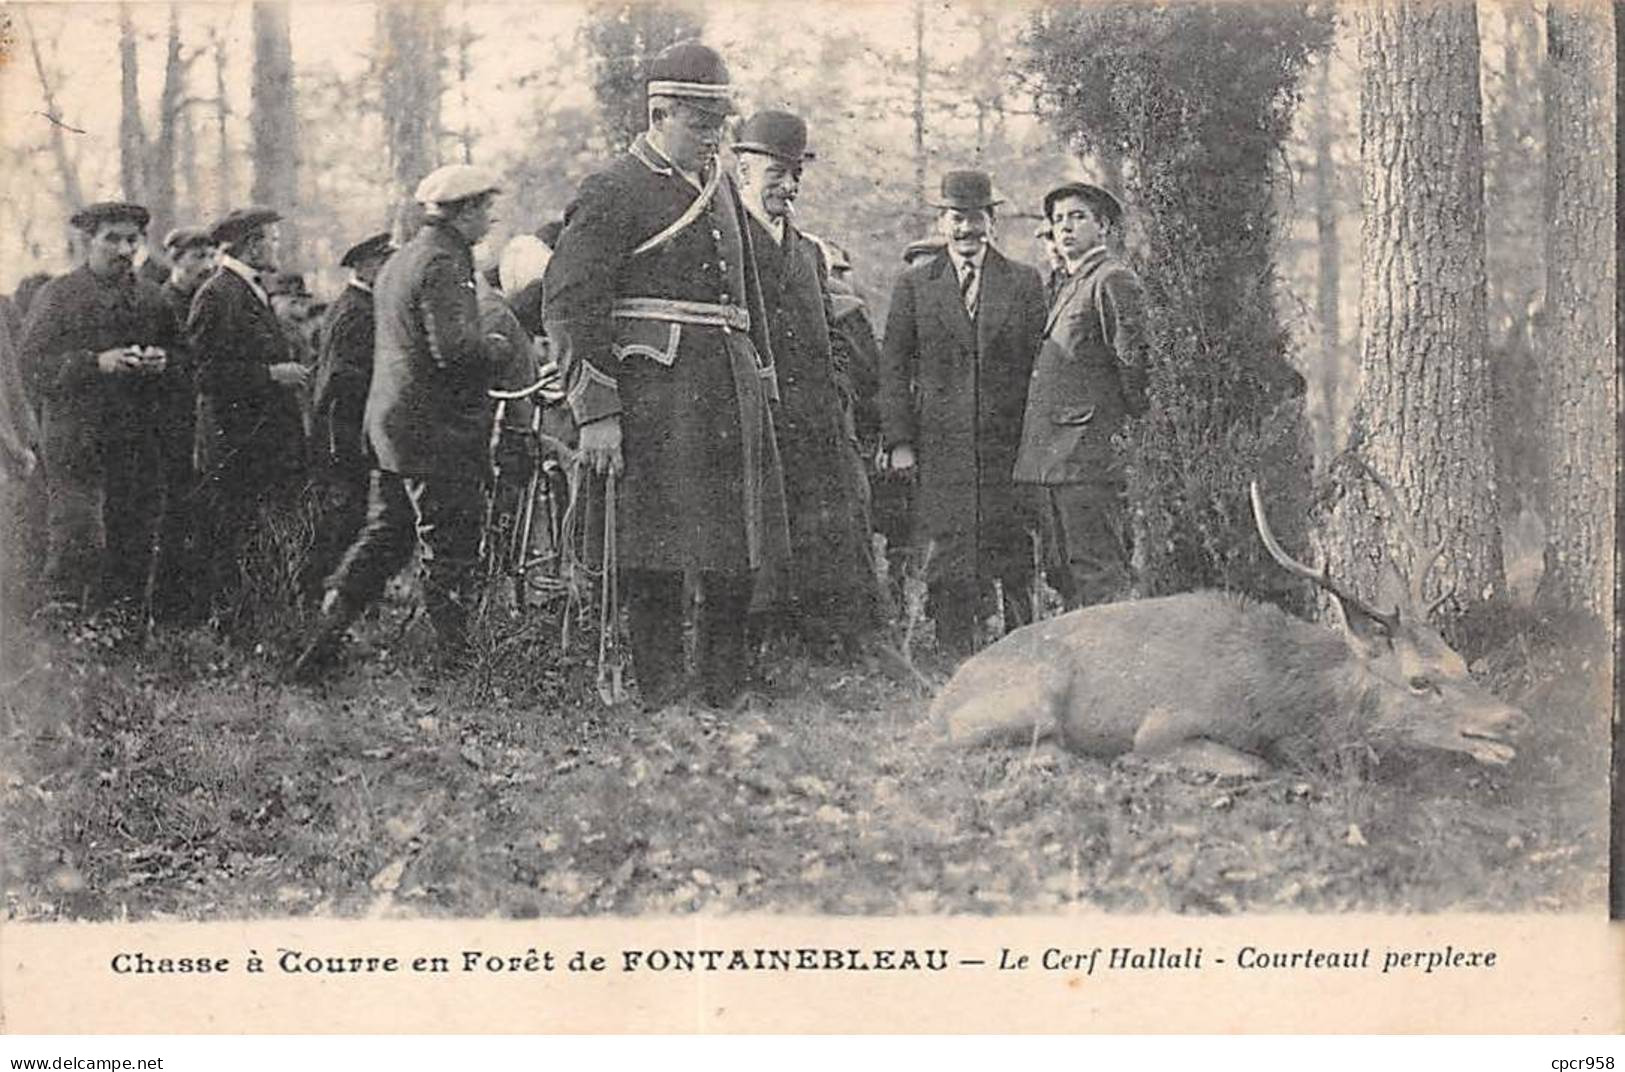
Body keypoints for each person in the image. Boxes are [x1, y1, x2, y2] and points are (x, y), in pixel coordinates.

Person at [543, 40, 790, 710]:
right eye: (699, 122)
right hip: (658, 395)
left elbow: (747, 299)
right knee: (653, 548)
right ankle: (664, 690)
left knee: (733, 543)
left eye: (718, 124)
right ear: (658, 113)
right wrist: (597, 412)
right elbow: (567, 304)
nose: (714, 138)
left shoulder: (720, 192)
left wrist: (760, 377)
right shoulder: (612, 189)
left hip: (726, 390)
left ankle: (723, 687)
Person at [294, 164, 504, 677]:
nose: (491, 221)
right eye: (486, 210)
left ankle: (319, 645)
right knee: (452, 545)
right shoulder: (444, 261)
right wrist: (497, 348)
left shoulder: (404, 258)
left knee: (387, 535)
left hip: (393, 429)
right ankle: (457, 665)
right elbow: (454, 351)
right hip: (436, 433)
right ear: (466, 211)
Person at [877, 170, 1047, 656]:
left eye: (975, 218)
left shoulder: (1023, 282)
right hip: (940, 450)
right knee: (949, 558)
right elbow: (893, 366)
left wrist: (1034, 446)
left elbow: (1037, 366)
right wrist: (901, 443)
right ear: (941, 220)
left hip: (1006, 448)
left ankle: (1021, 657)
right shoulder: (914, 284)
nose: (965, 230)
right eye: (956, 218)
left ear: (991, 221)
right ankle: (957, 660)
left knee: (1011, 552)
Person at [733, 109, 879, 652]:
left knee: (825, 526)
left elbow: (832, 327)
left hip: (815, 415)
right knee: (762, 531)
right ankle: (762, 640)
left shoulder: (809, 250)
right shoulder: (728, 240)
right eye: (775, 173)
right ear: (742, 168)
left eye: (795, 174)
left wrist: (836, 385)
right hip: (758, 415)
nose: (788, 186)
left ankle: (825, 639)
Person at [17, 201, 181, 613]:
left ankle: (120, 632)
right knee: (80, 535)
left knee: (135, 535)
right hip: (76, 438)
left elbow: (186, 356)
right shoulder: (58, 295)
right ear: (89, 241)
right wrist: (95, 362)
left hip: (135, 439)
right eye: (113, 239)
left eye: (133, 240)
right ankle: (63, 627)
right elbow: (30, 366)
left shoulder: (152, 298)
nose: (124, 250)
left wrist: (165, 361)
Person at [1014, 182, 1149, 610]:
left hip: (1091, 459)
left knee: (1099, 574)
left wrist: (1117, 438)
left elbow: (1135, 367)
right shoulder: (1071, 284)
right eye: (1058, 221)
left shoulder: (1113, 280)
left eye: (1078, 217)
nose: (1065, 229)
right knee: (1068, 574)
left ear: (1104, 227)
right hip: (1059, 462)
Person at [188, 205, 311, 618]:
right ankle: (236, 631)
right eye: (272, 240)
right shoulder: (218, 294)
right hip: (235, 442)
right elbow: (204, 374)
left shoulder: (245, 291)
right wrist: (271, 374)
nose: (277, 248)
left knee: (256, 538)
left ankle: (259, 625)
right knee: (234, 536)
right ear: (252, 244)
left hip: (256, 441)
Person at [303, 231, 395, 603]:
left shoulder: (359, 305)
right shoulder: (355, 310)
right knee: (342, 521)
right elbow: (342, 377)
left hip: (348, 431)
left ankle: (334, 598)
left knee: (350, 517)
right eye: (384, 264)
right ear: (365, 267)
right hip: (342, 434)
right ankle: (324, 597)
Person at [148, 226, 217, 621]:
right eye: (197, 259)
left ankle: (194, 605)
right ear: (176, 261)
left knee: (201, 512)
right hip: (169, 423)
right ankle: (168, 608)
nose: (205, 267)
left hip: (201, 421)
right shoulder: (164, 303)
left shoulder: (208, 299)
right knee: (172, 514)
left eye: (210, 258)